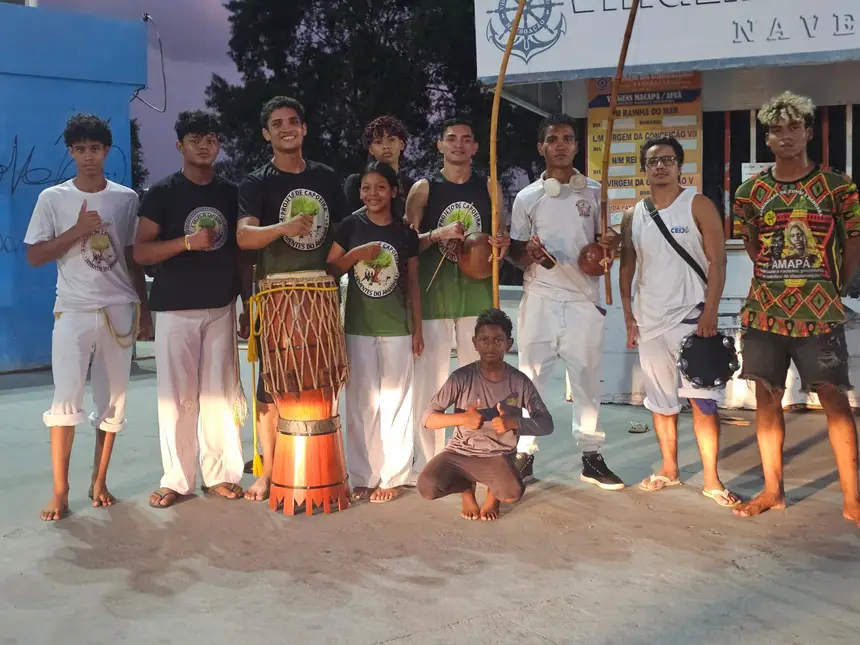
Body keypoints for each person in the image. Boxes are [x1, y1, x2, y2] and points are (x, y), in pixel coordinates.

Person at [732, 91, 860, 524]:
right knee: (768, 400)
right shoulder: (750, 192)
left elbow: (854, 241)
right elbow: (752, 245)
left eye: (793, 128)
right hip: (764, 313)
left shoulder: (838, 187)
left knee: (834, 401)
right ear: (766, 139)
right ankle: (774, 491)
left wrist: (833, 286)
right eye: (775, 130)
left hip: (820, 314)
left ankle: (852, 498)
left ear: (808, 132)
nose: (784, 137)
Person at [24, 113, 153, 521]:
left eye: (95, 148)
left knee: (113, 401)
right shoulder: (53, 198)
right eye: (80, 149)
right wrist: (77, 230)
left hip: (119, 308)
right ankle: (60, 491)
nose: (88, 156)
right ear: (70, 152)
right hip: (73, 309)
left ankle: (99, 481)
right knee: (65, 398)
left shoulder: (126, 198)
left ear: (106, 150)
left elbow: (134, 257)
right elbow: (34, 255)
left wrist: (144, 307)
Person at [133, 110, 252, 508]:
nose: (205, 145)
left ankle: (221, 475)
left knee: (220, 396)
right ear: (180, 145)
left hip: (221, 305)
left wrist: (246, 304)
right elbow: (141, 250)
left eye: (212, 138)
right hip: (175, 308)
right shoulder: (163, 192)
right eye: (195, 138)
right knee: (177, 398)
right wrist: (185, 243)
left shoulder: (230, 193)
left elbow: (241, 256)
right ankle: (177, 479)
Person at [618, 136, 740, 507]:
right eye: (653, 161)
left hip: (692, 318)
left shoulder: (698, 204)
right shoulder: (633, 214)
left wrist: (711, 311)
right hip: (649, 321)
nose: (660, 166)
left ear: (679, 166)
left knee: (703, 400)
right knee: (660, 402)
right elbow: (627, 266)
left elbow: (718, 261)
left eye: (668, 160)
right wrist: (628, 315)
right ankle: (669, 469)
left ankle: (711, 479)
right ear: (644, 168)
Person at [236, 96, 347, 501]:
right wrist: (284, 227)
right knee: (272, 387)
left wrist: (335, 270)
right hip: (277, 293)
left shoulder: (327, 178)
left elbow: (343, 232)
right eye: (277, 123)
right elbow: (245, 237)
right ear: (267, 134)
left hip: (319, 292)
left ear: (304, 129)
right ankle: (268, 471)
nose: (287, 128)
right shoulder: (256, 181)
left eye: (294, 121)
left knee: (318, 380)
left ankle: (323, 464)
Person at [508, 113, 622, 490]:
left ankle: (591, 456)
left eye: (568, 139)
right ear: (541, 147)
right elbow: (515, 253)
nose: (560, 145)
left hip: (583, 299)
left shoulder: (594, 191)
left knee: (587, 379)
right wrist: (530, 253)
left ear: (577, 146)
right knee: (531, 379)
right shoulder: (527, 197)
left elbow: (611, 246)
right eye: (553, 139)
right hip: (540, 295)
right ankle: (524, 454)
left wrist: (610, 245)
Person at [405, 118, 510, 474]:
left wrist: (500, 244)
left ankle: (474, 454)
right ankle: (432, 459)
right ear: (440, 145)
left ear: (476, 147)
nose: (459, 145)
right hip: (434, 298)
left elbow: (502, 239)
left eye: (467, 139)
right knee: (431, 385)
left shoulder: (489, 187)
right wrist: (438, 233)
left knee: (478, 381)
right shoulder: (424, 188)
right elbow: (406, 243)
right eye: (451, 139)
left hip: (476, 298)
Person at [327, 161, 423, 503]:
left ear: (394, 191)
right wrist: (355, 255)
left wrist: (417, 329)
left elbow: (412, 282)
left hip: (397, 327)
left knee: (397, 403)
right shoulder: (351, 225)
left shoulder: (404, 233)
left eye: (380, 187)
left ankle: (394, 476)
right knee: (361, 403)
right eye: (366, 188)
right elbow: (331, 266)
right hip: (358, 325)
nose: (372, 194)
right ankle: (363, 475)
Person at [418, 309, 553, 521]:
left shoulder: (519, 381)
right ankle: (466, 492)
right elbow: (428, 418)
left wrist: (515, 423)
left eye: (498, 340)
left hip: (497, 455)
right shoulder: (461, 377)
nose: (491, 345)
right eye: (484, 340)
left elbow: (546, 424)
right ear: (475, 343)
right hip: (460, 452)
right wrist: (462, 419)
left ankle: (493, 495)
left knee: (512, 493)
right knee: (427, 487)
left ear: (509, 344)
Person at [343, 116, 414, 216]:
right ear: (371, 149)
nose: (386, 146)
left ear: (402, 145)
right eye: (378, 142)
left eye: (391, 140)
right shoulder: (356, 182)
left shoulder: (411, 186)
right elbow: (347, 221)